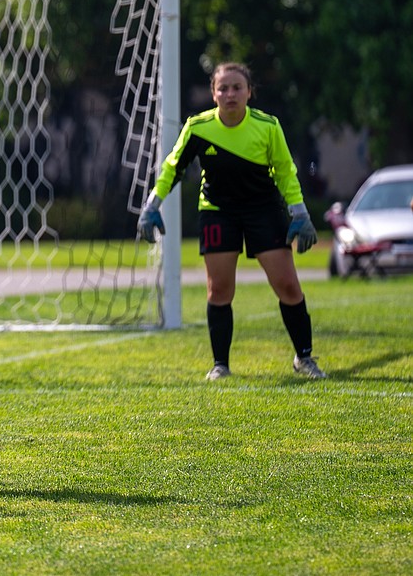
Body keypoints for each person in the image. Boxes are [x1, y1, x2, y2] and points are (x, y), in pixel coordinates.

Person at [137, 62, 326, 380]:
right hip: (217, 211)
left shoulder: (267, 126)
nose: (230, 94)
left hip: (264, 211)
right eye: (222, 88)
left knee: (288, 286)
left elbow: (285, 171)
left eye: (237, 87)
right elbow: (172, 168)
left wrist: (300, 213)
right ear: (213, 94)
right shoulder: (198, 128)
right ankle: (220, 365)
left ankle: (304, 358)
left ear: (249, 92)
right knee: (220, 289)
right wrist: (151, 205)